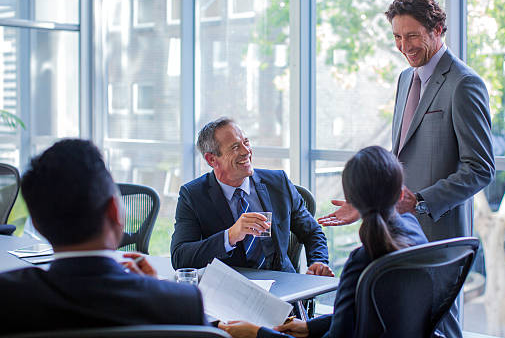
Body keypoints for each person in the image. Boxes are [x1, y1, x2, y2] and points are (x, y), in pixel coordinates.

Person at [318, 0, 495, 338]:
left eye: (412, 35)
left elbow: (480, 168)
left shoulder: (464, 84)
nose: (404, 46)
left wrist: (421, 200)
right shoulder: (404, 79)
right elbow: (399, 157)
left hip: (437, 234)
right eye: (397, 37)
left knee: (441, 328)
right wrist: (370, 204)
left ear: (438, 29)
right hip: (395, 230)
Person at [217, 146, 428, 338]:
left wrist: (257, 333)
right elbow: (360, 313)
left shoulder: (362, 259)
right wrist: (311, 327)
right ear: (401, 195)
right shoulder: (414, 231)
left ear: (350, 200)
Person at [0, 139, 208, 335]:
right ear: (114, 212)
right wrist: (158, 289)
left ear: (36, 224)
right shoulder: (183, 304)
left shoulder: (8, 298)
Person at [171, 117, 332, 276]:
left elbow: (312, 232)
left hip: (283, 285)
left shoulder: (278, 182)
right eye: (235, 147)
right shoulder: (193, 195)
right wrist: (230, 236)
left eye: (246, 142)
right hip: (230, 289)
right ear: (212, 159)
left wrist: (318, 262)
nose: (246, 151)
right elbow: (180, 257)